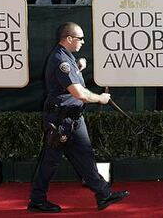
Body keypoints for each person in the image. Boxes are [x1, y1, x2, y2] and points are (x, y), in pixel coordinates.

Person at [27, 22, 129, 213]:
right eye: (80, 38)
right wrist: (101, 98)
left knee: (85, 157)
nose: (83, 41)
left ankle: (103, 194)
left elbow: (66, 81)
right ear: (69, 39)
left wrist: (78, 66)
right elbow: (79, 93)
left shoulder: (67, 58)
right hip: (60, 121)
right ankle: (37, 200)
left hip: (74, 119)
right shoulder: (61, 61)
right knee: (50, 161)